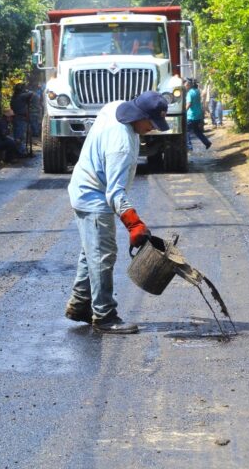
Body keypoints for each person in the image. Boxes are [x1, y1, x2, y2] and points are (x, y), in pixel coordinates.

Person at [65, 91, 170, 334]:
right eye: (152, 123)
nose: (153, 129)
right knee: (103, 255)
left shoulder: (115, 106)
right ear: (140, 116)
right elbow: (115, 193)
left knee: (91, 251)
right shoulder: (121, 146)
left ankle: (80, 304)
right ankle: (104, 315)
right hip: (93, 194)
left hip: (84, 185)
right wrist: (134, 224)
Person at [185, 78, 211, 150]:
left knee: (186, 131)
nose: (185, 85)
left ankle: (189, 147)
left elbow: (189, 103)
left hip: (191, 116)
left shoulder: (189, 93)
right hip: (198, 115)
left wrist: (184, 111)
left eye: (186, 84)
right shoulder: (197, 91)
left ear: (189, 85)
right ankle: (207, 142)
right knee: (197, 131)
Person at [10, 83, 33, 155]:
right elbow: (31, 93)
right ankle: (20, 151)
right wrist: (26, 91)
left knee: (17, 135)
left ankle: (20, 150)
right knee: (20, 136)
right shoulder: (21, 96)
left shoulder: (14, 98)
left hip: (16, 117)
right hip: (20, 117)